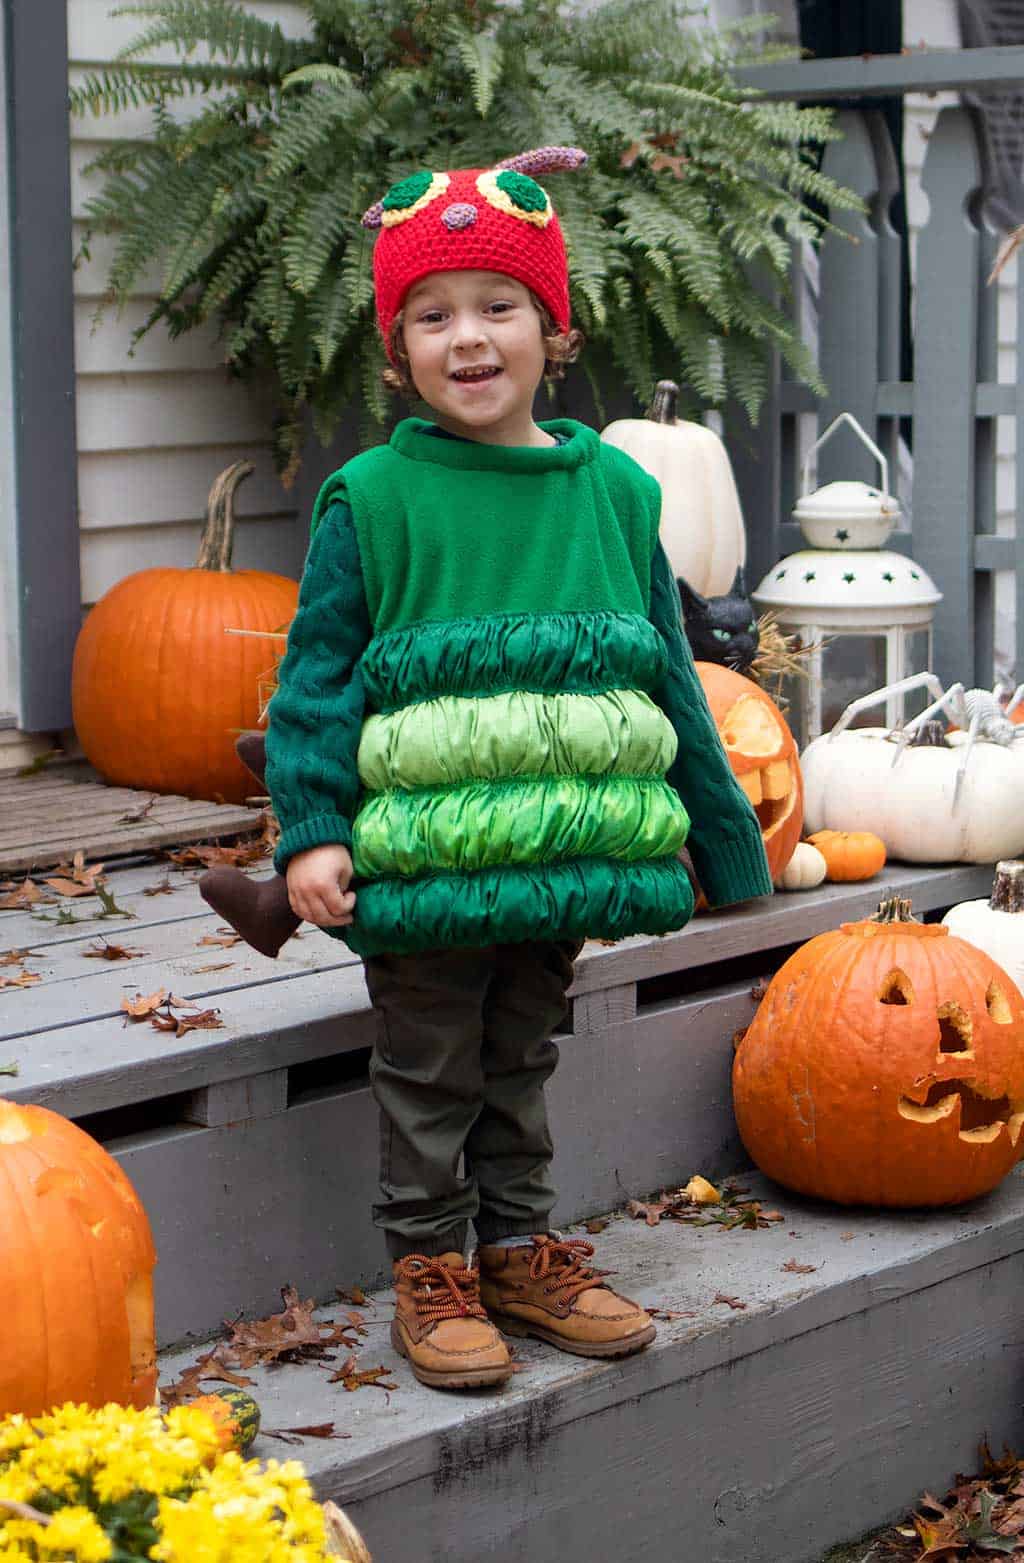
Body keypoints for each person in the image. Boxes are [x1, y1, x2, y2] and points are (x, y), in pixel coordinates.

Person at [264, 145, 773, 1392]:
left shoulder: (608, 489)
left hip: (560, 857)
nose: (468, 338)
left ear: (555, 328)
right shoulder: (373, 497)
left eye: (498, 307)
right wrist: (313, 829)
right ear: (398, 353)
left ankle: (521, 1249)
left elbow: (665, 666)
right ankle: (431, 1267)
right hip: (425, 861)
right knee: (431, 1060)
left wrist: (722, 838)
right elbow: (317, 678)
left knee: (521, 1052)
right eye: (431, 317)